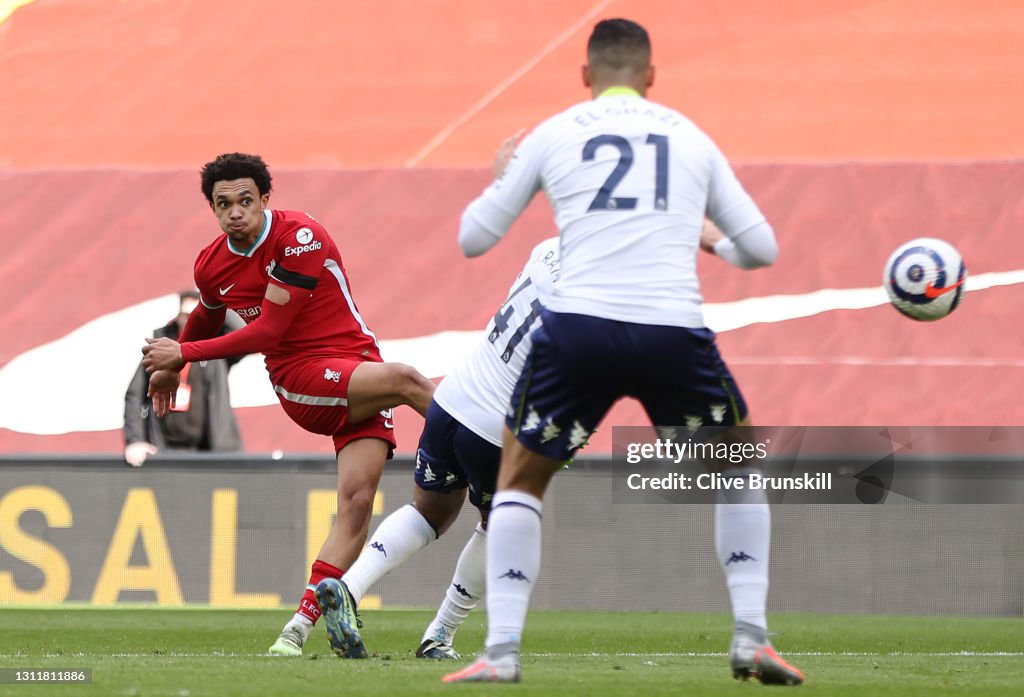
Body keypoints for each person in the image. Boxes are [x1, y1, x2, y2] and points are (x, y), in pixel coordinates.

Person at [443, 19, 803, 686]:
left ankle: (501, 652)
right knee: (739, 469)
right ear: (652, 76)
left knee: (521, 482)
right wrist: (710, 243)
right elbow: (763, 249)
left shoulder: (555, 133)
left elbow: (472, 238)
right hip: (671, 329)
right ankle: (751, 636)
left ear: (586, 77)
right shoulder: (690, 137)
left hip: (579, 331)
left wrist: (503, 181)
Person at [140, 152, 436, 658]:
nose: (235, 211)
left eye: (245, 201)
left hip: (357, 369)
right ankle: (492, 450)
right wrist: (175, 365)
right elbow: (223, 322)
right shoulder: (212, 264)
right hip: (302, 380)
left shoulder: (299, 236)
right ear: (212, 209)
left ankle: (295, 632)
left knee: (358, 505)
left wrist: (181, 354)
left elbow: (266, 326)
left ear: (265, 200)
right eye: (223, 204)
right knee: (408, 380)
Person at [321, 237, 560, 660]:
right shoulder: (598, 294)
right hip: (497, 424)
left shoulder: (547, 248)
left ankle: (349, 587)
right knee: (500, 525)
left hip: (451, 398)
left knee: (428, 511)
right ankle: (439, 635)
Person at [123, 290, 243, 467]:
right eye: (186, 315)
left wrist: (215, 300)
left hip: (210, 451)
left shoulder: (215, 348)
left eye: (196, 315)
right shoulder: (160, 348)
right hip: (163, 449)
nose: (190, 320)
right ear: (177, 316)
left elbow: (241, 331)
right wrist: (135, 440)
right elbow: (135, 396)